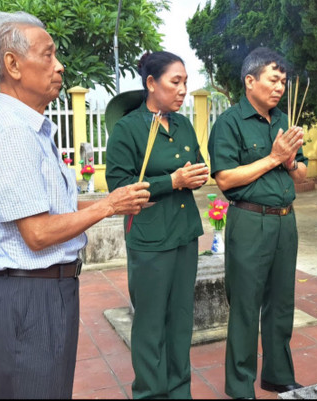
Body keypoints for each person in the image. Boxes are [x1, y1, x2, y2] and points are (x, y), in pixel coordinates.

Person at [0, 11, 150, 399]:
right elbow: (37, 233)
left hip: (46, 292)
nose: (59, 66)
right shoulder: (14, 134)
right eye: (47, 55)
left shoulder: (32, 129)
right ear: (13, 65)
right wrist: (108, 206)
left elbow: (52, 204)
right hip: (29, 297)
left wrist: (112, 201)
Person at [105, 51, 210, 399]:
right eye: (175, 82)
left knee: (181, 321)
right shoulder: (128, 128)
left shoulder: (181, 124)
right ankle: (150, 393)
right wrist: (173, 181)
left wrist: (197, 176)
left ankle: (180, 392)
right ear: (151, 83)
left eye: (185, 83)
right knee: (151, 324)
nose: (182, 90)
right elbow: (118, 187)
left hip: (184, 234)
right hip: (150, 237)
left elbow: (194, 164)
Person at [207, 47, 308, 399]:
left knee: (282, 303)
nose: (279, 87)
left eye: (283, 81)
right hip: (250, 220)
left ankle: (279, 375)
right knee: (246, 307)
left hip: (285, 222)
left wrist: (292, 162)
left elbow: (303, 172)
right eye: (273, 79)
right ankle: (239, 387)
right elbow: (226, 179)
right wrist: (274, 158)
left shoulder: (284, 121)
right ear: (250, 81)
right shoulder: (229, 123)